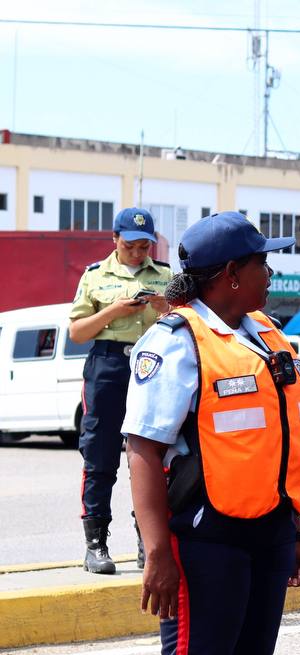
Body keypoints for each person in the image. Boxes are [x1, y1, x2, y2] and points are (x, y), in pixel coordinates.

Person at [123, 212, 300, 655]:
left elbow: (275, 444)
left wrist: (297, 531)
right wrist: (156, 553)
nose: (271, 271)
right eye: (263, 262)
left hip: (267, 534)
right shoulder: (177, 341)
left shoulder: (265, 336)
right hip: (203, 539)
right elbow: (143, 450)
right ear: (231, 275)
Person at [68, 207, 171, 574]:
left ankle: (149, 541)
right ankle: (96, 544)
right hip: (108, 364)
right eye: (130, 245)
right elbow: (77, 332)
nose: (138, 253)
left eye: (145, 246)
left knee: (153, 454)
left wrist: (164, 307)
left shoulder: (165, 276)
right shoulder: (95, 276)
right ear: (115, 240)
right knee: (100, 454)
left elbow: (186, 323)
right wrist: (112, 311)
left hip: (151, 366)